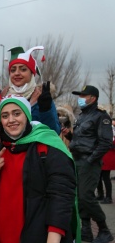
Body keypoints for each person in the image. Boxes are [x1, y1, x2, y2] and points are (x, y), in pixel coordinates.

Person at [0, 95, 78, 243]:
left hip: (39, 234)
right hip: (2, 234)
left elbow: (61, 195)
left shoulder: (48, 145)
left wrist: (54, 236)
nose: (11, 120)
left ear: (27, 115)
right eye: (5, 116)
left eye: (17, 113)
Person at [67, 85, 114, 242]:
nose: (80, 98)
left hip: (89, 162)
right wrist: (70, 136)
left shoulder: (101, 116)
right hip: (77, 160)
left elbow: (106, 142)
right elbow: (80, 140)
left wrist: (90, 159)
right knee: (80, 197)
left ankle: (104, 230)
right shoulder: (82, 116)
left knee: (86, 196)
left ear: (92, 98)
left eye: (83, 95)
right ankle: (86, 230)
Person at [1, 46, 61, 134]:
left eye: (23, 69)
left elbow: (54, 132)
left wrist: (46, 111)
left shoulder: (42, 98)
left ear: (32, 73)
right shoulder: (2, 97)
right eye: (13, 70)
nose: (17, 73)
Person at [97, 118, 115, 204]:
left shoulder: (110, 129)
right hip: (100, 155)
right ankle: (100, 195)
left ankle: (108, 197)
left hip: (107, 155)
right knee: (98, 177)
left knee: (105, 177)